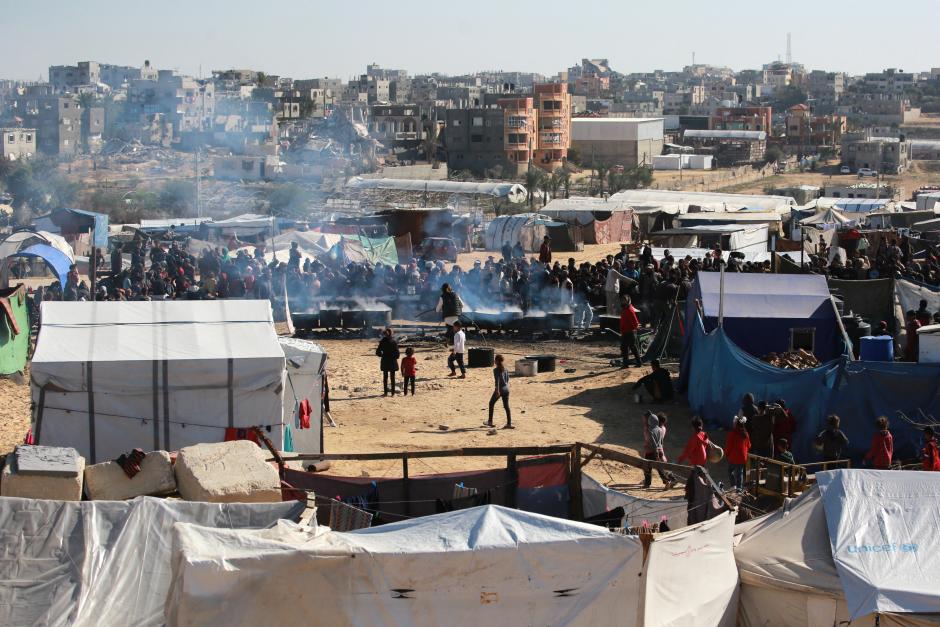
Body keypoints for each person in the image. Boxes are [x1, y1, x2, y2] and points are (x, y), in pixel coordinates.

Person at [642, 411, 676, 489]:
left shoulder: (651, 430)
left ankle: (647, 483)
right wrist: (660, 450)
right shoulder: (660, 429)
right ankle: (667, 480)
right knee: (660, 468)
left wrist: (655, 451)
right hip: (659, 450)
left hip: (652, 451)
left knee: (647, 467)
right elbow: (661, 442)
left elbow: (653, 443)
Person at [485, 354, 512, 429]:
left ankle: (490, 422)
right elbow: (507, 379)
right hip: (506, 389)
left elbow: (497, 381)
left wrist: (497, 390)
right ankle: (509, 423)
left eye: (495, 360)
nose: (494, 361)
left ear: (497, 361)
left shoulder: (496, 370)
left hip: (500, 389)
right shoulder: (505, 369)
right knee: (506, 406)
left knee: (491, 403)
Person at [724, 416, 751, 490]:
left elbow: (728, 446)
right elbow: (749, 446)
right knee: (740, 473)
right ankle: (739, 489)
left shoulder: (732, 433)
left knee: (730, 471)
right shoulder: (746, 434)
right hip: (742, 458)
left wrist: (726, 454)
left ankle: (733, 486)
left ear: (736, 424)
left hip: (733, 457)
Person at [375, 327, 400, 397]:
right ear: (391, 333)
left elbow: (378, 352)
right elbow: (397, 353)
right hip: (392, 361)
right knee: (392, 377)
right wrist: (394, 357)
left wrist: (382, 355)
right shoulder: (394, 341)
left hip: (385, 360)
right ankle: (393, 393)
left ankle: (385, 393)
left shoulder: (382, 341)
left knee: (385, 377)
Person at [619, 296, 642, 368]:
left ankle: (638, 362)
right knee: (625, 348)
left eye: (624, 300)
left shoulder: (629, 310)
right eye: (622, 300)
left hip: (630, 332)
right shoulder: (624, 309)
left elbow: (635, 321)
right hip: (625, 331)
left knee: (632, 347)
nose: (623, 302)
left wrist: (635, 327)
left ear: (628, 301)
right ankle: (626, 364)